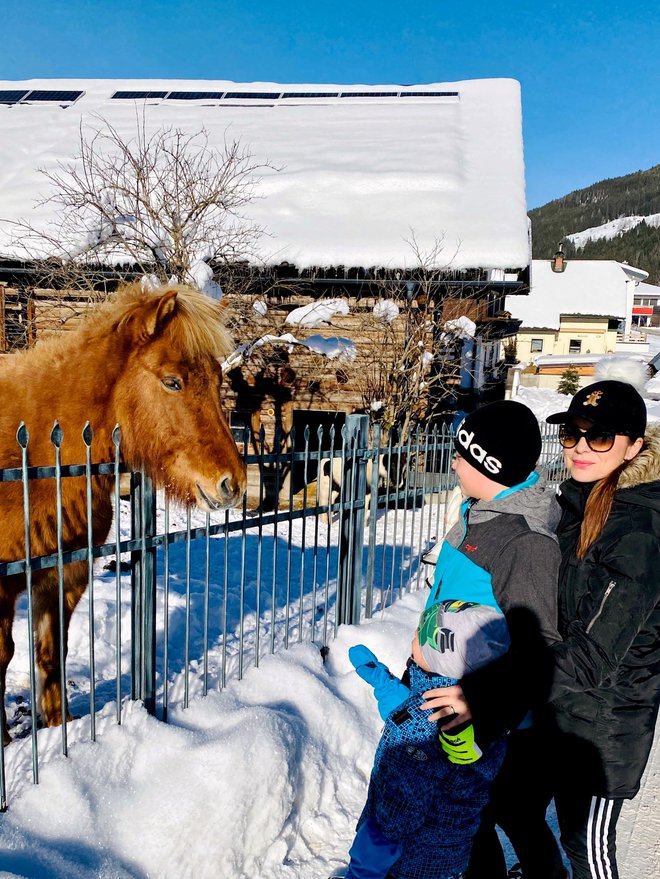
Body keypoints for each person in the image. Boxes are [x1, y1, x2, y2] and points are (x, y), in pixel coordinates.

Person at [419, 400, 566, 879]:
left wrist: (479, 704)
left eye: (464, 454)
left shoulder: (525, 542)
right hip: (455, 694)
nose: (455, 462)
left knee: (489, 813)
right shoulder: (479, 511)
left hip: (492, 716)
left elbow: (536, 645)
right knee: (481, 811)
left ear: (490, 464)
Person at [542, 379, 660, 879]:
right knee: (520, 810)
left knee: (587, 847)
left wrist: (495, 689)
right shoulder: (579, 504)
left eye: (600, 438)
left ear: (634, 446)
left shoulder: (637, 530)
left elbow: (593, 654)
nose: (580, 448)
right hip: (561, 710)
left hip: (604, 725)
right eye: (572, 434)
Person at [343, 598, 511, 879]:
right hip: (451, 858)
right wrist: (386, 688)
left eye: (419, 634)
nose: (413, 636)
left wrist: (363, 869)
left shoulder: (416, 728)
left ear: (439, 654)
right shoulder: (489, 716)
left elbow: (395, 816)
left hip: (406, 863)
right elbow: (423, 721)